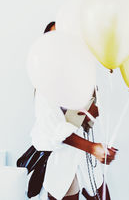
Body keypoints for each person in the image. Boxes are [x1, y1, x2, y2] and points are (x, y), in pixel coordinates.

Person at [31, 22, 117, 200]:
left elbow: (91, 114)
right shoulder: (43, 82)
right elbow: (55, 129)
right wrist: (93, 148)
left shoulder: (81, 75)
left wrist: (93, 108)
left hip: (86, 161)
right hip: (61, 161)